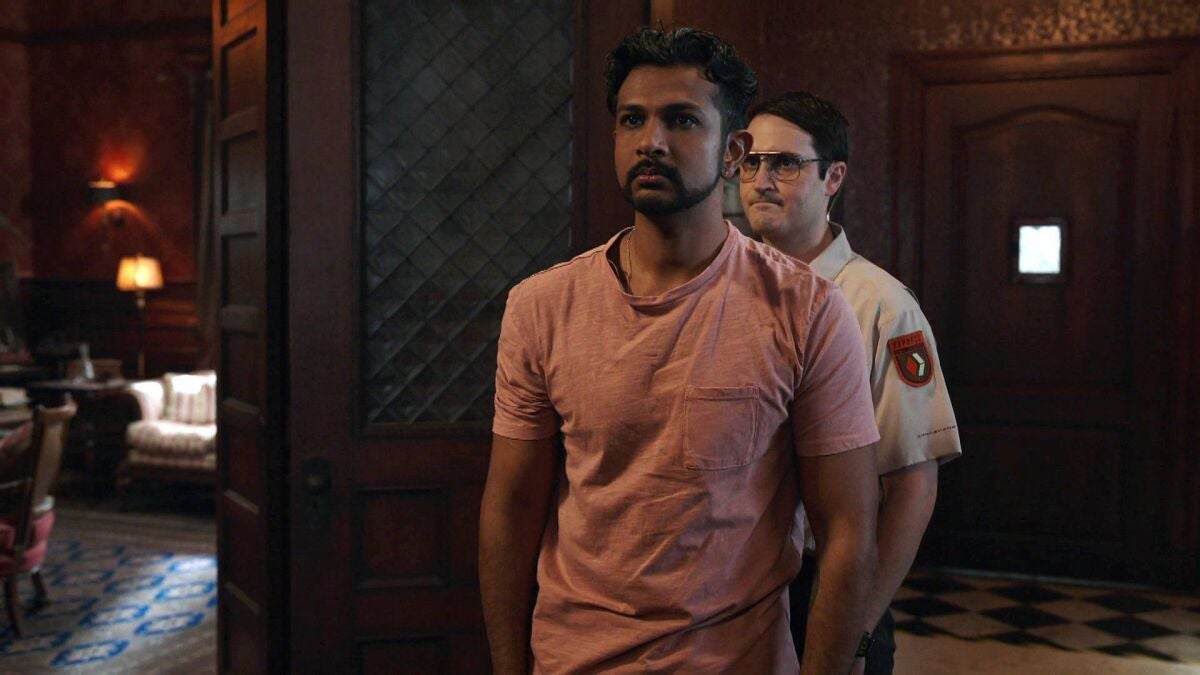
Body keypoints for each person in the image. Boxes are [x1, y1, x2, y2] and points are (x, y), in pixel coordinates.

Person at [478, 27, 881, 674]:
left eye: (682, 120)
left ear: (733, 152)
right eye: (631, 119)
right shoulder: (542, 307)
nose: (651, 141)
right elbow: (511, 508)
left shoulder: (807, 310)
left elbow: (849, 531)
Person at [739, 91, 963, 674]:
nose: (762, 180)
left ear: (833, 177)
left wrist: (857, 627)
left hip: (828, 578)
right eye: (750, 161)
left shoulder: (878, 304)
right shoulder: (722, 291)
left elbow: (914, 483)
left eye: (786, 163)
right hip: (733, 580)